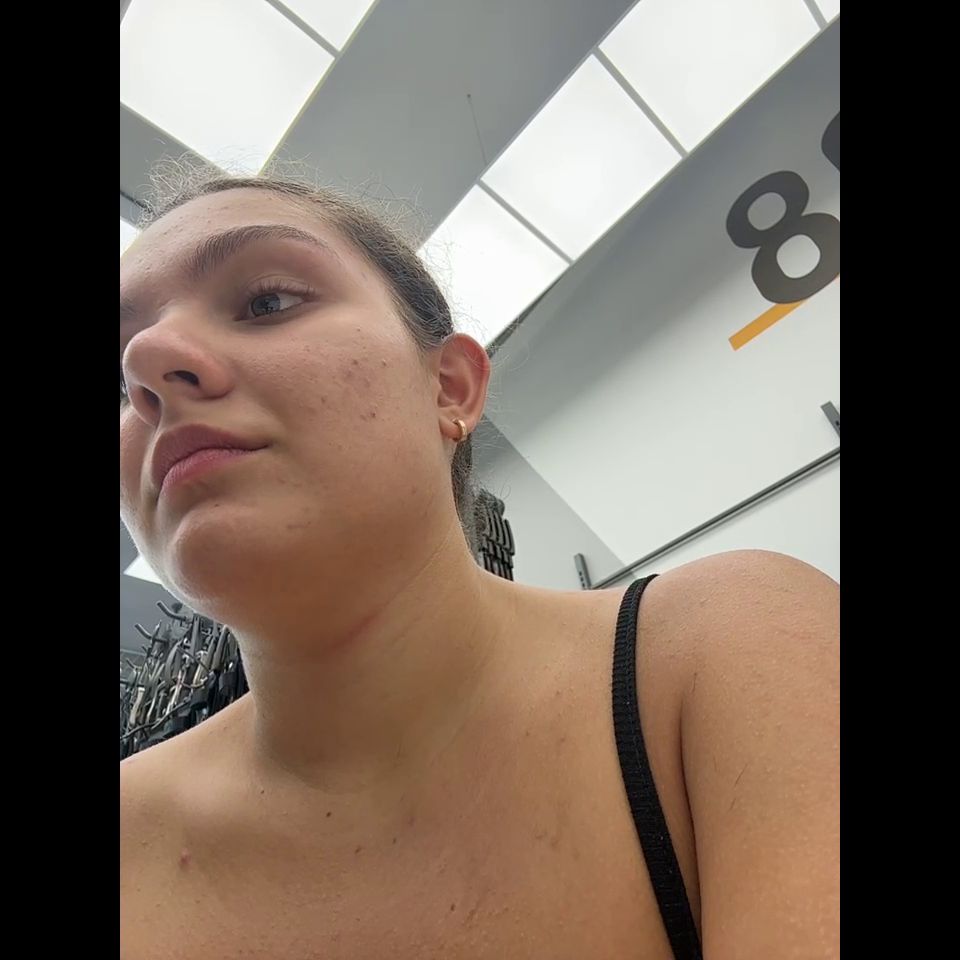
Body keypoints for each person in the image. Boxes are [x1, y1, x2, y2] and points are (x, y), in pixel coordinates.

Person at [119, 172, 840, 960]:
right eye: (119, 374)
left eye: (267, 302)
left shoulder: (726, 650)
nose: (146, 361)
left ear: (450, 387)